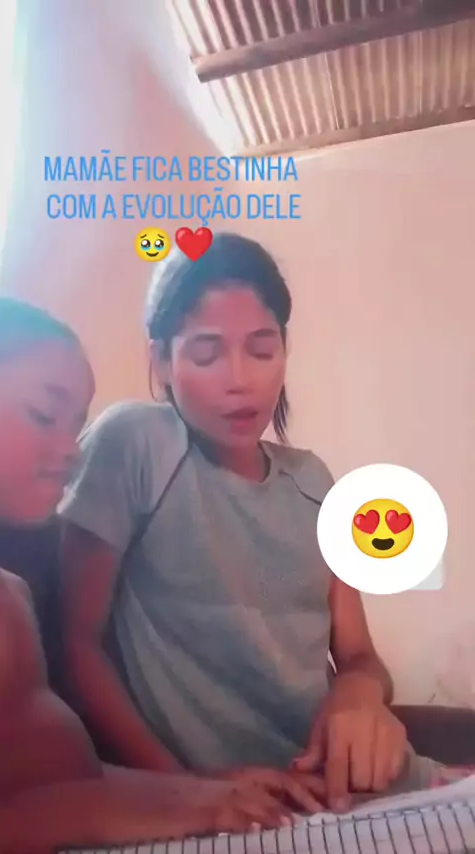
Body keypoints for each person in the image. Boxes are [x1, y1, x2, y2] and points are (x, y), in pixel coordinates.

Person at [59, 232, 437, 815]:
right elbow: (75, 642)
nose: (240, 379)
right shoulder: (137, 444)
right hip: (233, 811)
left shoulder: (313, 481)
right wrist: (181, 792)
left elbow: (359, 655)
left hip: (351, 795)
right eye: (206, 354)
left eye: (262, 350)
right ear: (160, 361)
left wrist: (358, 696)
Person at [0, 296, 324, 854]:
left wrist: (196, 792)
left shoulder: (13, 594)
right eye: (44, 415)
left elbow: (62, 782)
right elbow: (62, 803)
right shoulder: (144, 454)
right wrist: (96, 812)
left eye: (76, 425)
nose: (71, 451)